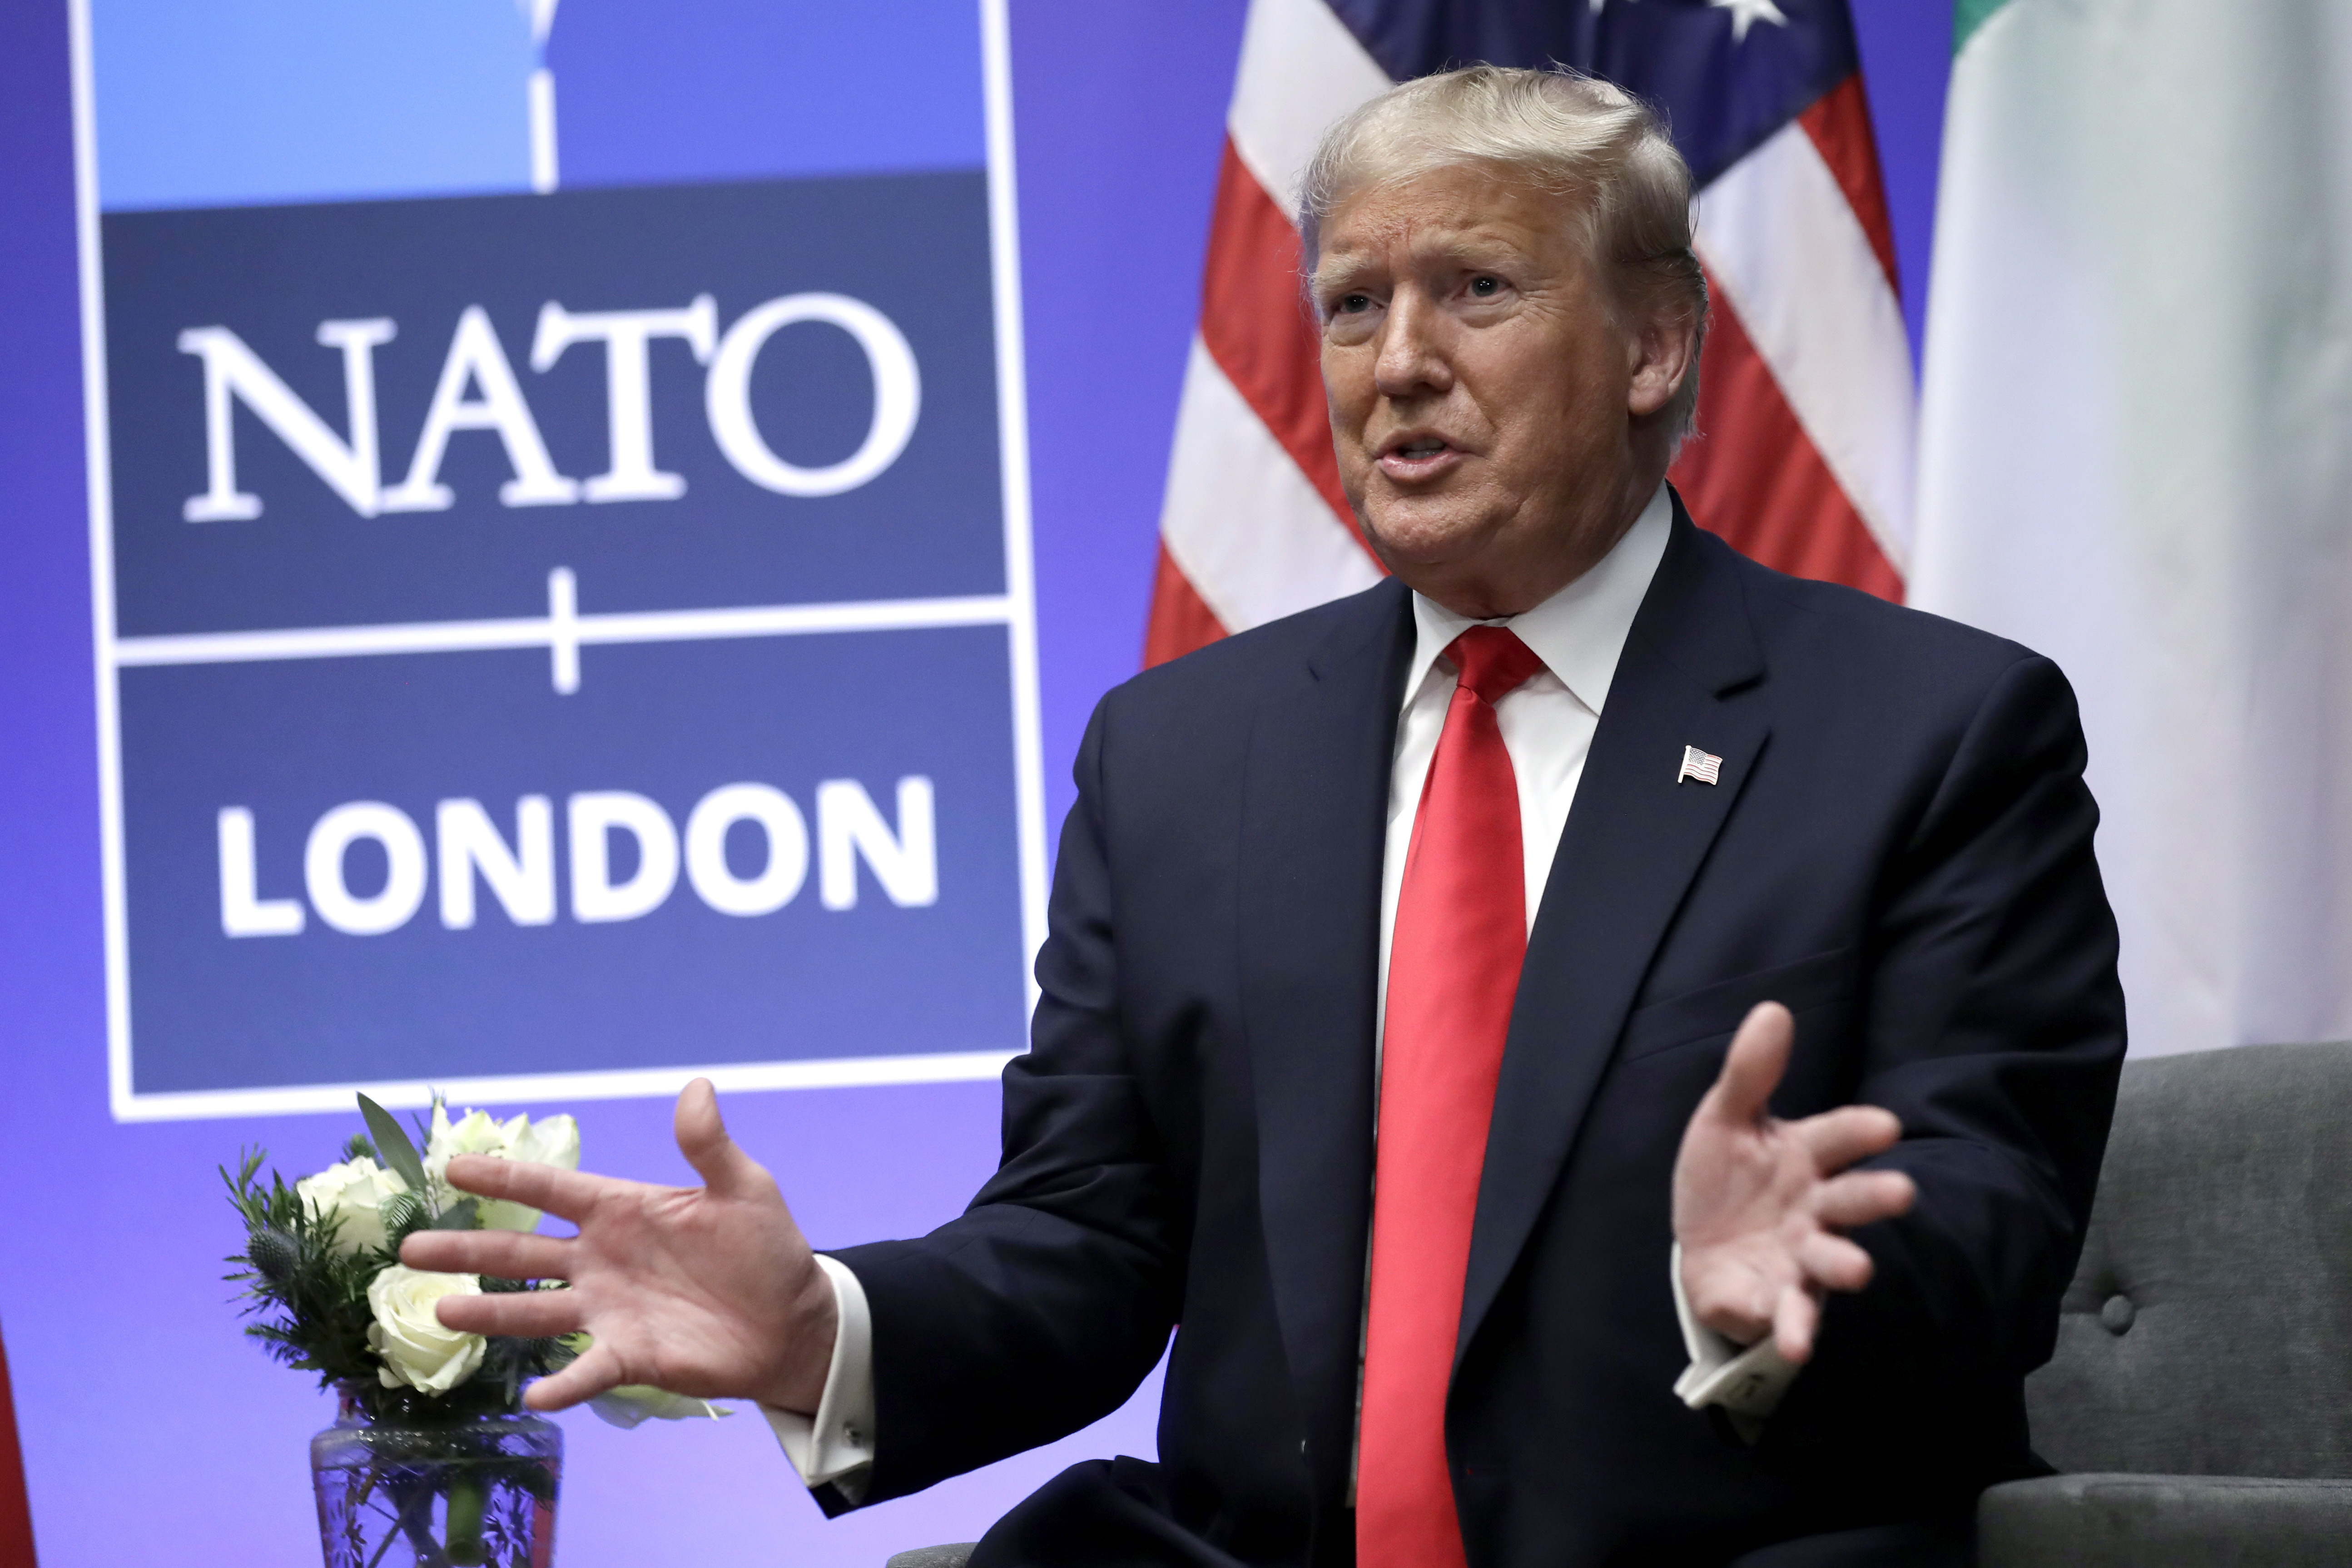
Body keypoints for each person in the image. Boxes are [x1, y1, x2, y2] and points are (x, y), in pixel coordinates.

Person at [405, 67, 2126, 1567]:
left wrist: (1777, 1288)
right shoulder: (1178, 755)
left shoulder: (1929, 734)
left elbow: (1987, 1222)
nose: (1399, 366)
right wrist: (820, 1328)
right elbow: (1084, 1239)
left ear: (1655, 343)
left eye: (1477, 288)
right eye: (1354, 303)